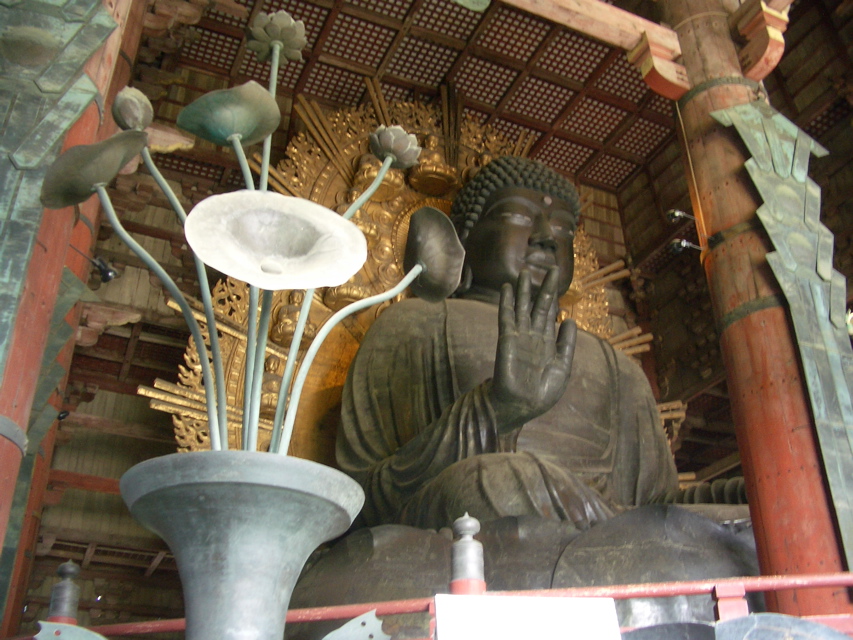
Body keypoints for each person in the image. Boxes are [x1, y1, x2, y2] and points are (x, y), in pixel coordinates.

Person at [336, 155, 678, 532]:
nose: (547, 237)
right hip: (469, 522)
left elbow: (662, 509)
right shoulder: (416, 323)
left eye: (564, 229)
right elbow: (355, 500)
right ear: (463, 239)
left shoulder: (619, 368)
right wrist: (493, 410)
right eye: (518, 217)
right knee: (497, 481)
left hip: (616, 532)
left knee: (742, 512)